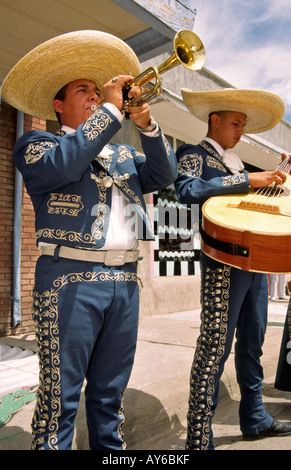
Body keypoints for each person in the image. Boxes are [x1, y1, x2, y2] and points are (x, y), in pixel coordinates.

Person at [1, 30, 177, 450]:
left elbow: (165, 176)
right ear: (59, 105)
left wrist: (147, 125)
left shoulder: (123, 154)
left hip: (126, 282)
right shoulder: (38, 143)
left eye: (100, 91)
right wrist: (113, 111)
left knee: (109, 395)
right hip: (70, 278)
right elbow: (64, 165)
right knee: (59, 396)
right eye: (85, 90)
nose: (97, 95)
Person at [174, 87, 291, 450]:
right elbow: (187, 189)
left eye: (243, 125)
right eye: (235, 123)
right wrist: (250, 180)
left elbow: (252, 206)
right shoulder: (192, 154)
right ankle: (198, 434)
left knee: (253, 342)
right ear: (215, 121)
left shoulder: (239, 163)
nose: (241, 131)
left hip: (254, 261)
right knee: (214, 346)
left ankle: (254, 417)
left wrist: (280, 177)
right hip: (222, 260)